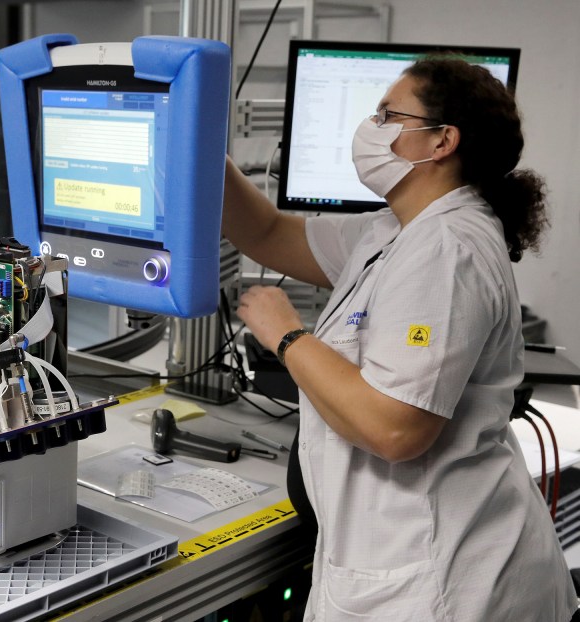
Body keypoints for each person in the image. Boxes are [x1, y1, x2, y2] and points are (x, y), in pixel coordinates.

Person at [223, 56, 578, 621]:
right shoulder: (393, 229)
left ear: (441, 141)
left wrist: (288, 335)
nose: (371, 128)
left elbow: (395, 428)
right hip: (400, 560)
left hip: (446, 581)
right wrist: (195, 140)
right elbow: (264, 231)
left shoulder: (447, 250)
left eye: (388, 114)